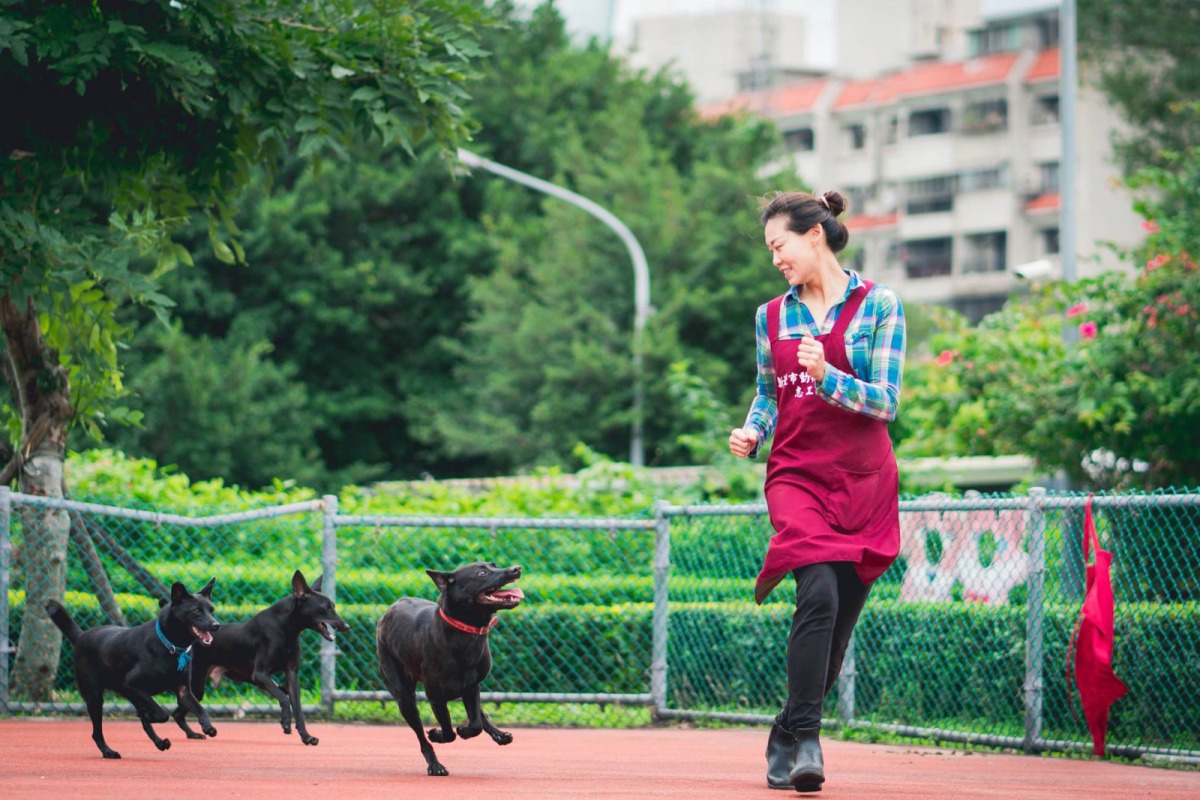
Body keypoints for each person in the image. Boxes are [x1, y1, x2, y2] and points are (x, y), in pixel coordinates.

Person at [728, 190, 906, 792]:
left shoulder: (880, 304)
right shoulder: (770, 316)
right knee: (820, 592)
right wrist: (753, 430)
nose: (776, 258)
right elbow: (768, 392)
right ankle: (808, 738)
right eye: (770, 250)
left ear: (814, 235)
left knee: (837, 630)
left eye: (780, 246)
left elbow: (886, 401)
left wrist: (829, 376)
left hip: (864, 481)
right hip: (797, 475)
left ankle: (786, 725)